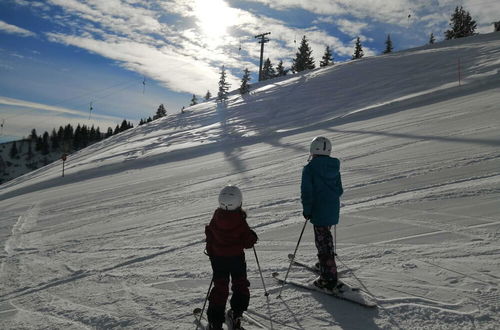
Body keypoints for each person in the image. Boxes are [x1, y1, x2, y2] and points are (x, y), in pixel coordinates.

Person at [205, 185, 258, 330]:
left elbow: (210, 236)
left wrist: (211, 251)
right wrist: (252, 237)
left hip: (219, 260)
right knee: (240, 284)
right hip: (236, 260)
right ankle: (236, 315)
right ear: (239, 202)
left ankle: (215, 323)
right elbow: (247, 242)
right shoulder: (240, 220)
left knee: (220, 288)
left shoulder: (216, 217)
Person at [301, 136, 344, 290]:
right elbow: (339, 190)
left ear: (313, 151)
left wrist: (307, 210)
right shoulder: (334, 166)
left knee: (322, 242)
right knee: (326, 237)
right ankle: (325, 264)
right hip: (332, 210)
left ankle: (328, 278)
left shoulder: (310, 168)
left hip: (318, 211)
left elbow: (307, 192)